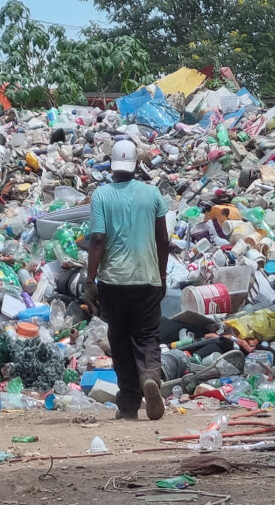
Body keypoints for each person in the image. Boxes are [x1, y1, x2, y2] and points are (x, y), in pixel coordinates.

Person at [84, 139, 170, 421]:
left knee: (120, 341)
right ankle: (150, 376)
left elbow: (98, 239)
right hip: (147, 278)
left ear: (112, 164)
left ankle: (129, 405)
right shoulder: (152, 194)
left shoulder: (102, 195)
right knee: (147, 336)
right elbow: (162, 239)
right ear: (136, 164)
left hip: (113, 282)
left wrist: (89, 280)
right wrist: (161, 275)